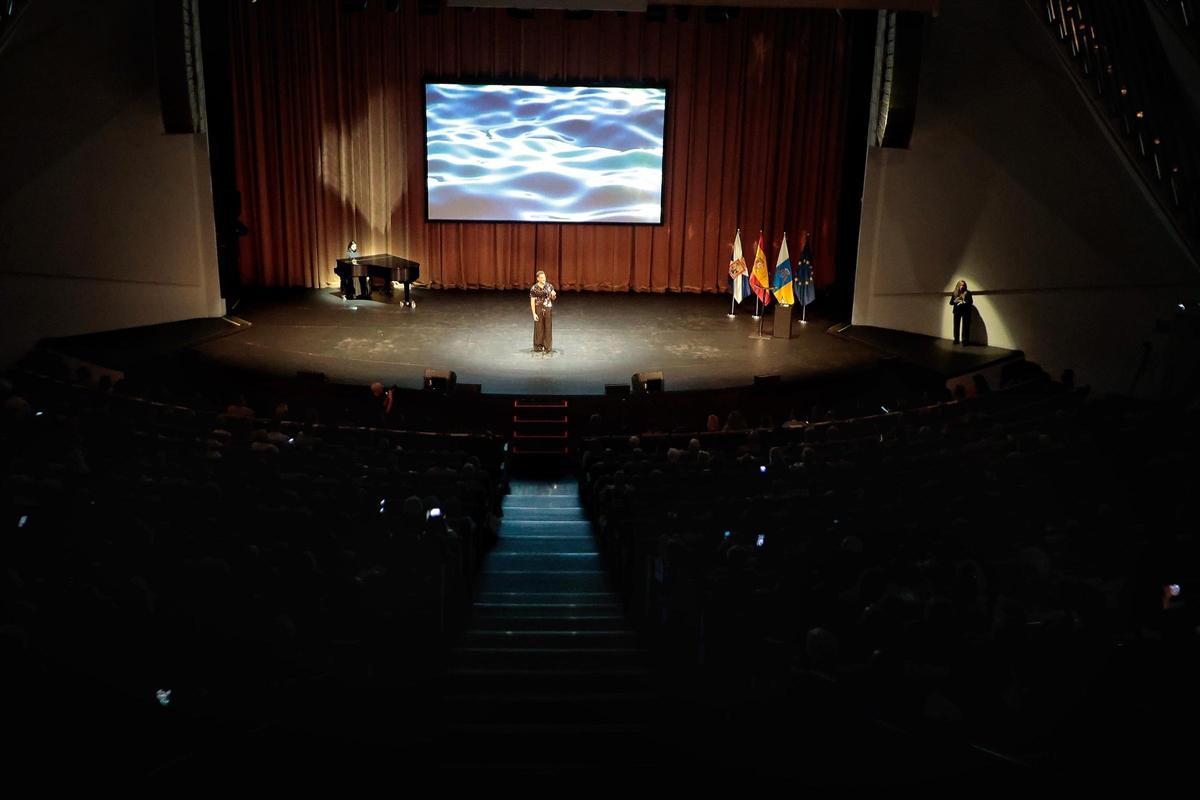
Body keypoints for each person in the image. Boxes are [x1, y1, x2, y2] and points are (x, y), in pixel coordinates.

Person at [529, 270, 557, 354]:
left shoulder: (549, 286)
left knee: (548, 328)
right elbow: (532, 301)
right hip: (538, 309)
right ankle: (538, 346)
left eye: (544, 277)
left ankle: (547, 346)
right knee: (539, 328)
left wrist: (553, 295)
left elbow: (553, 298)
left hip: (548, 308)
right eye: (541, 278)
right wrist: (534, 313)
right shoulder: (534, 288)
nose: (543, 279)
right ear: (538, 279)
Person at [949, 279, 973, 344]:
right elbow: (951, 303)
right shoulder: (955, 293)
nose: (962, 287)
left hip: (965, 312)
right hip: (957, 311)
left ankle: (965, 340)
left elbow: (970, 302)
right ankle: (956, 339)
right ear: (958, 286)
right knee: (956, 326)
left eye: (963, 285)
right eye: (961, 285)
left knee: (965, 327)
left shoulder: (968, 293)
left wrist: (963, 302)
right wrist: (955, 301)